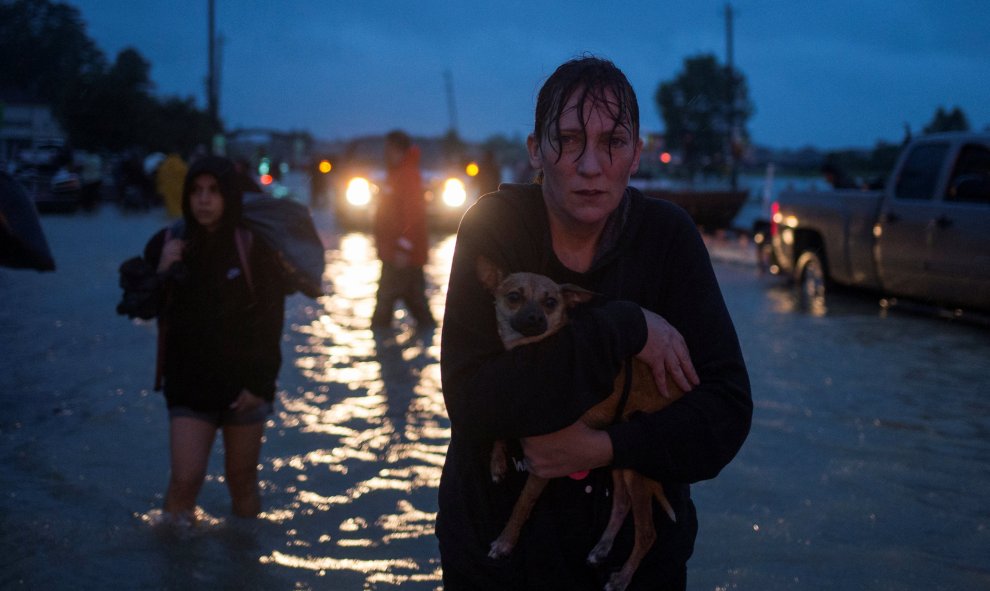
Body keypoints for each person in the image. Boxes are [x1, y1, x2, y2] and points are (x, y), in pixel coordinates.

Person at [437, 56, 752, 590]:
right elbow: (472, 399)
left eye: (612, 142)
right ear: (535, 150)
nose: (590, 164)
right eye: (568, 139)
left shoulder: (668, 239)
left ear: (635, 155)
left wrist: (607, 448)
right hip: (496, 566)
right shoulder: (497, 226)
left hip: (635, 574)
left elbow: (725, 412)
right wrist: (626, 327)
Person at [135, 155, 288, 523]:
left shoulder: (254, 247)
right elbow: (141, 309)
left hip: (245, 388)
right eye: (197, 191)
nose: (204, 200)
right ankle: (173, 567)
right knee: (184, 483)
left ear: (229, 197)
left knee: (243, 483)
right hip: (189, 385)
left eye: (214, 192)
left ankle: (246, 566)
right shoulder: (168, 242)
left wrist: (259, 385)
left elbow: (270, 323)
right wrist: (163, 271)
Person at [371, 130, 435, 329]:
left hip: (402, 255)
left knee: (385, 304)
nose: (385, 153)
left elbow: (412, 213)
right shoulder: (398, 173)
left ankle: (383, 349)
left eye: (389, 148)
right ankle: (429, 341)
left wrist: (404, 248)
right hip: (397, 253)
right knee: (415, 302)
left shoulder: (408, 175)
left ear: (398, 150)